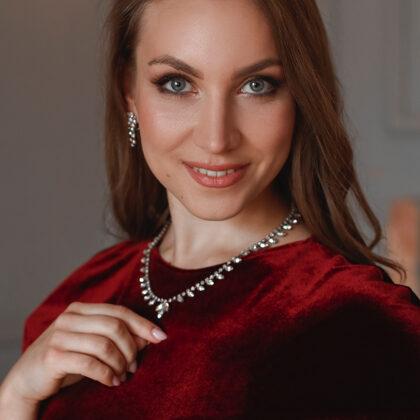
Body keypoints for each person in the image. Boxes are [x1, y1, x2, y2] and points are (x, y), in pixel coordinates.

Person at [0, 0, 419, 418]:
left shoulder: (365, 328)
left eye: (257, 85)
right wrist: (15, 398)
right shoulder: (79, 297)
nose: (216, 138)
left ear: (300, 97)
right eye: (177, 84)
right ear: (128, 92)